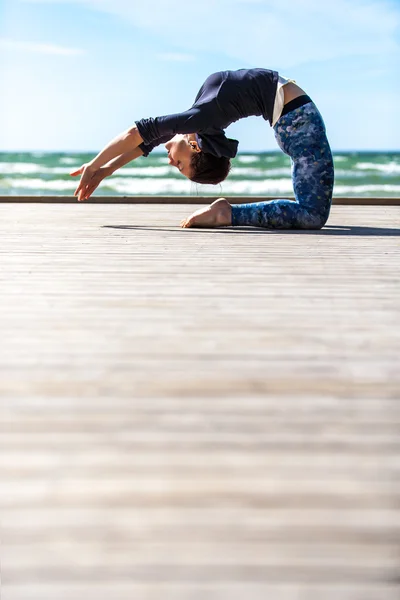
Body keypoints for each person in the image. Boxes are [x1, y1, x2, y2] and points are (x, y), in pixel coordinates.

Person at [71, 68, 334, 230]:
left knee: (311, 214)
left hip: (297, 121)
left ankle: (226, 213)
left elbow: (138, 134)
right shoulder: (200, 123)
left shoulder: (200, 120)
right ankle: (227, 214)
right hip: (297, 121)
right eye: (179, 166)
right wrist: (105, 169)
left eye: (180, 165)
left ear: (195, 147)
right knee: (312, 214)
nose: (172, 163)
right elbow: (143, 140)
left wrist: (97, 166)